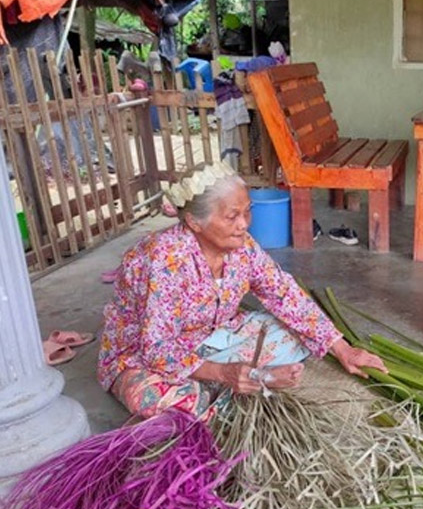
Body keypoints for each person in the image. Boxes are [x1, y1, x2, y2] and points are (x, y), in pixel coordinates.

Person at [97, 164, 387, 421]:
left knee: (298, 333)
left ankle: (235, 383)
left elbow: (284, 294)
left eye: (247, 211)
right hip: (145, 355)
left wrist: (343, 349)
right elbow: (157, 349)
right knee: (149, 398)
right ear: (195, 222)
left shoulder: (243, 246)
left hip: (212, 338)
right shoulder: (166, 259)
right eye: (232, 216)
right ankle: (237, 384)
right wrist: (223, 373)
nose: (244, 224)